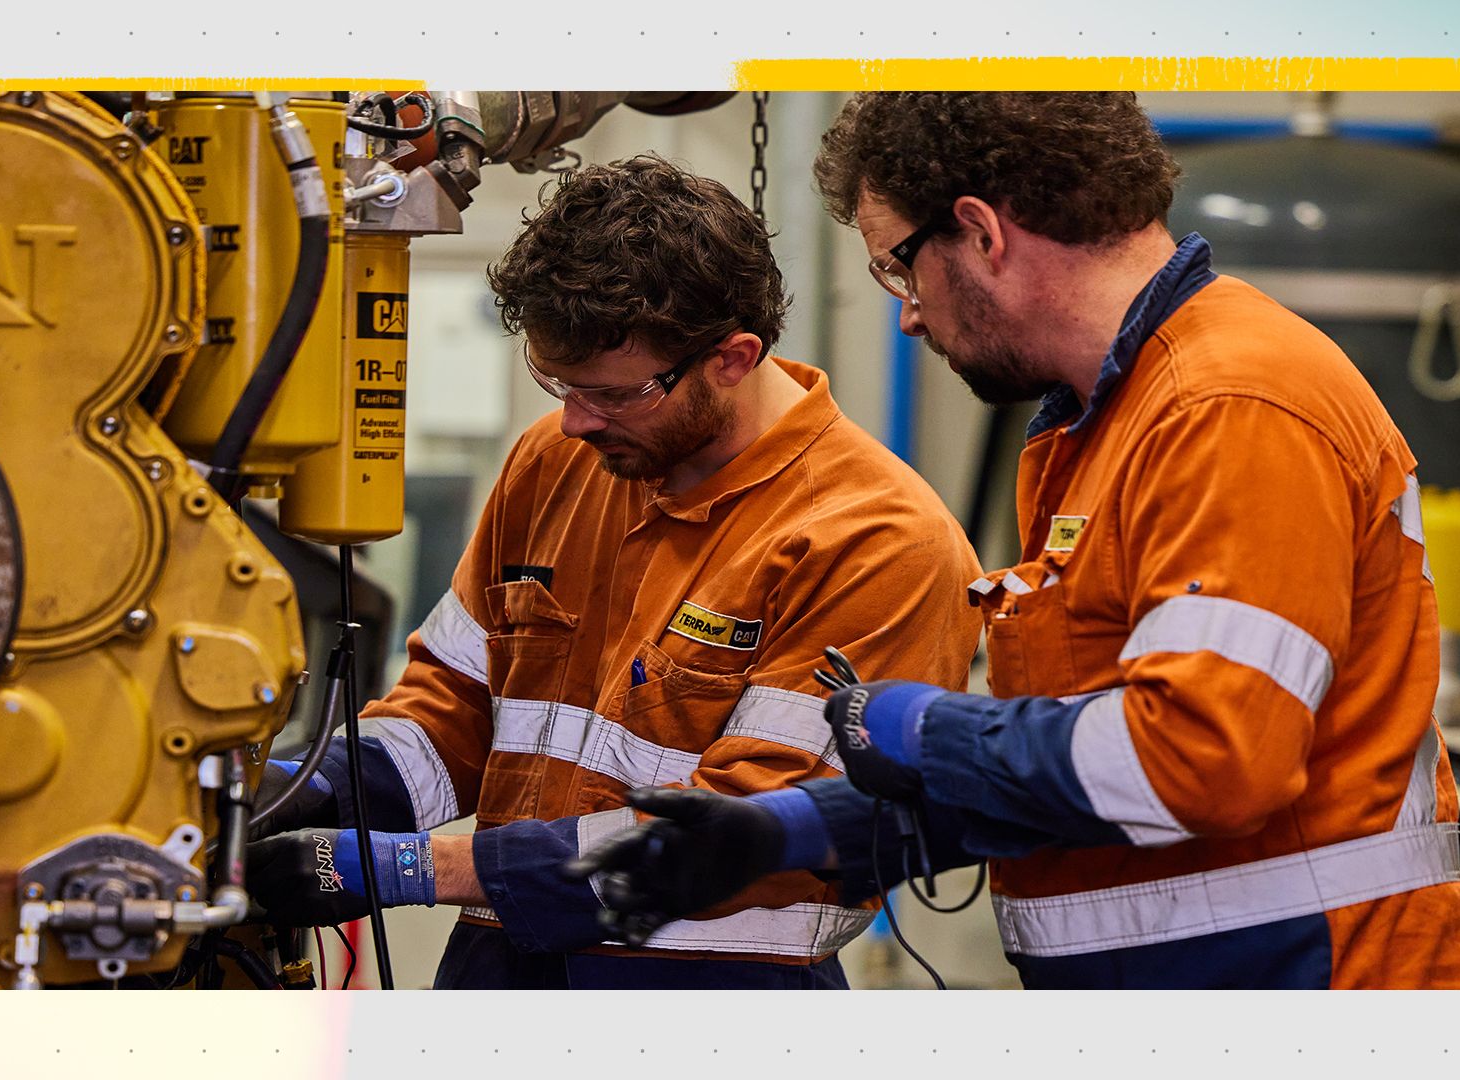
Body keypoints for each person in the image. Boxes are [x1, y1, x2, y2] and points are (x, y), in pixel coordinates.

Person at [570, 93, 1460, 990]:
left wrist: (912, 725)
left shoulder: (1231, 404)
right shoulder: (1099, 425)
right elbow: (1079, 770)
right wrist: (794, 833)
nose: (907, 310)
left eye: (900, 265)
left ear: (981, 232)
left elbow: (1203, 760)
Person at [242, 154, 985, 989]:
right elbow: (452, 707)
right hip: (501, 967)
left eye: (610, 394)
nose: (573, 419)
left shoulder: (877, 541)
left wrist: (417, 869)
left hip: (706, 990)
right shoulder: (556, 463)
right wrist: (305, 790)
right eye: (555, 380)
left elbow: (745, 827)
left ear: (734, 358)